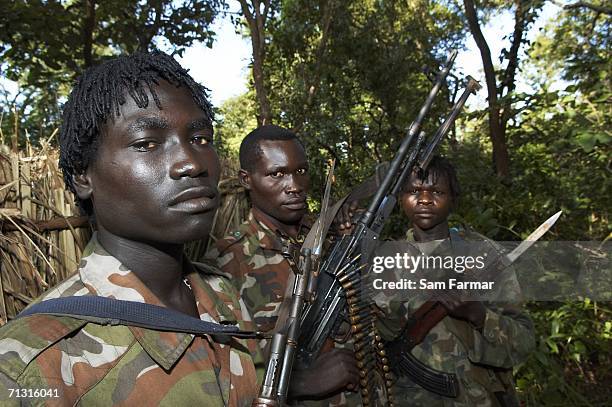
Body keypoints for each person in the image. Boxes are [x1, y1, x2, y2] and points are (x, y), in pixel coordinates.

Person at [0, 51, 262, 406]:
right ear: (82, 177)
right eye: (146, 144)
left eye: (200, 139)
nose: (190, 163)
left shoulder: (224, 298)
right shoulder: (32, 364)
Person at [207, 125, 360, 404]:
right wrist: (294, 384)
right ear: (246, 179)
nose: (295, 186)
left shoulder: (331, 239)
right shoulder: (226, 261)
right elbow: (214, 371)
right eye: (277, 174)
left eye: (301, 171)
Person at [377, 156, 535, 406]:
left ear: (453, 200)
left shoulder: (484, 254)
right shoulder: (385, 260)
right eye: (414, 191)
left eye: (437, 191)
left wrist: (479, 315)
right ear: (400, 199)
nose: (425, 199)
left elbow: (524, 344)